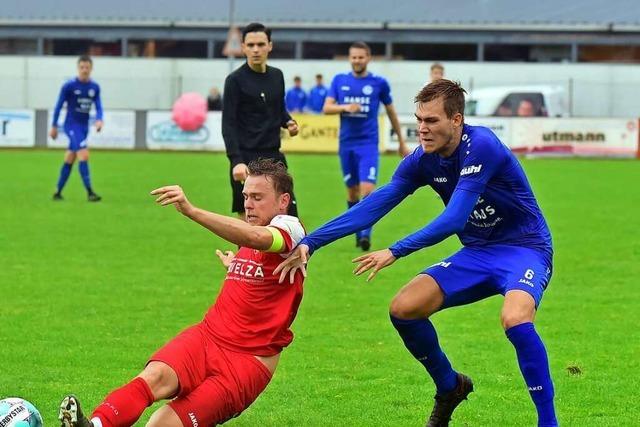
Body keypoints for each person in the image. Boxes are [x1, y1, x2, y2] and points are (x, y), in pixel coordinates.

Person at [277, 79, 558, 427]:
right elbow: (376, 203)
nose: (421, 129)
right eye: (419, 120)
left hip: (524, 249)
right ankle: (450, 387)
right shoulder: (422, 159)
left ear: (456, 120)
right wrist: (311, 241)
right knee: (404, 309)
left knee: (515, 318)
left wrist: (396, 250)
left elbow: (453, 219)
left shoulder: (481, 145)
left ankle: (548, 422)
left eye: (432, 121)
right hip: (478, 252)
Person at [58, 159, 306, 427]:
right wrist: (238, 266)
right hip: (208, 336)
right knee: (153, 377)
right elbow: (257, 258)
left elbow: (255, 238)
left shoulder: (291, 228)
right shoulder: (254, 227)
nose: (248, 203)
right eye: (246, 195)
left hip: (246, 363)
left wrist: (190, 210)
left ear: (283, 201)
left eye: (257, 197)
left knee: (161, 424)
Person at [323, 41, 408, 251]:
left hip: (368, 143)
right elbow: (326, 108)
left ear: (368, 58)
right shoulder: (339, 80)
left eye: (361, 57)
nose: (357, 60)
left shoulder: (379, 83)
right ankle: (356, 231)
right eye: (353, 57)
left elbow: (391, 111)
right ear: (350, 58)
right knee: (352, 192)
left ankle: (365, 236)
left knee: (368, 190)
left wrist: (401, 141)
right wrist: (345, 107)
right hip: (346, 144)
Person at [222, 22, 300, 218]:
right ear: (243, 48)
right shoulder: (235, 80)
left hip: (274, 156)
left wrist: (288, 121)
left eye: (260, 44)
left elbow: (278, 109)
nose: (255, 50)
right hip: (246, 159)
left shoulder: (277, 76)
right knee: (249, 224)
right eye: (250, 45)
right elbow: (228, 124)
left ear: (270, 46)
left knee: (289, 218)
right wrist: (236, 161)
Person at [50, 55, 103, 202]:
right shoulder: (69, 86)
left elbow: (98, 106)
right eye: (82, 67)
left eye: (87, 67)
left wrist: (100, 119)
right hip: (71, 126)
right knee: (84, 155)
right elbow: (58, 106)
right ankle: (90, 192)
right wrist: (54, 125)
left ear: (91, 69)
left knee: (70, 158)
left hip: (83, 127)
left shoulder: (94, 87)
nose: (84, 70)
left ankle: (57, 192)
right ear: (78, 68)